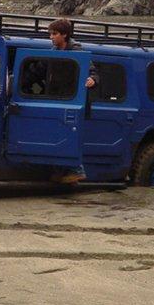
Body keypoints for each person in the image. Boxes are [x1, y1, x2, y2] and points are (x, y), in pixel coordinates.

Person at [48, 18, 99, 184]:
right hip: (60, 98)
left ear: (64, 35)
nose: (51, 37)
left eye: (54, 34)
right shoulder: (54, 51)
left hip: (74, 101)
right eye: (50, 34)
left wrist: (92, 80)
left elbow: (92, 72)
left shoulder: (76, 51)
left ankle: (77, 170)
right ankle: (60, 172)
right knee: (58, 136)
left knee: (70, 135)